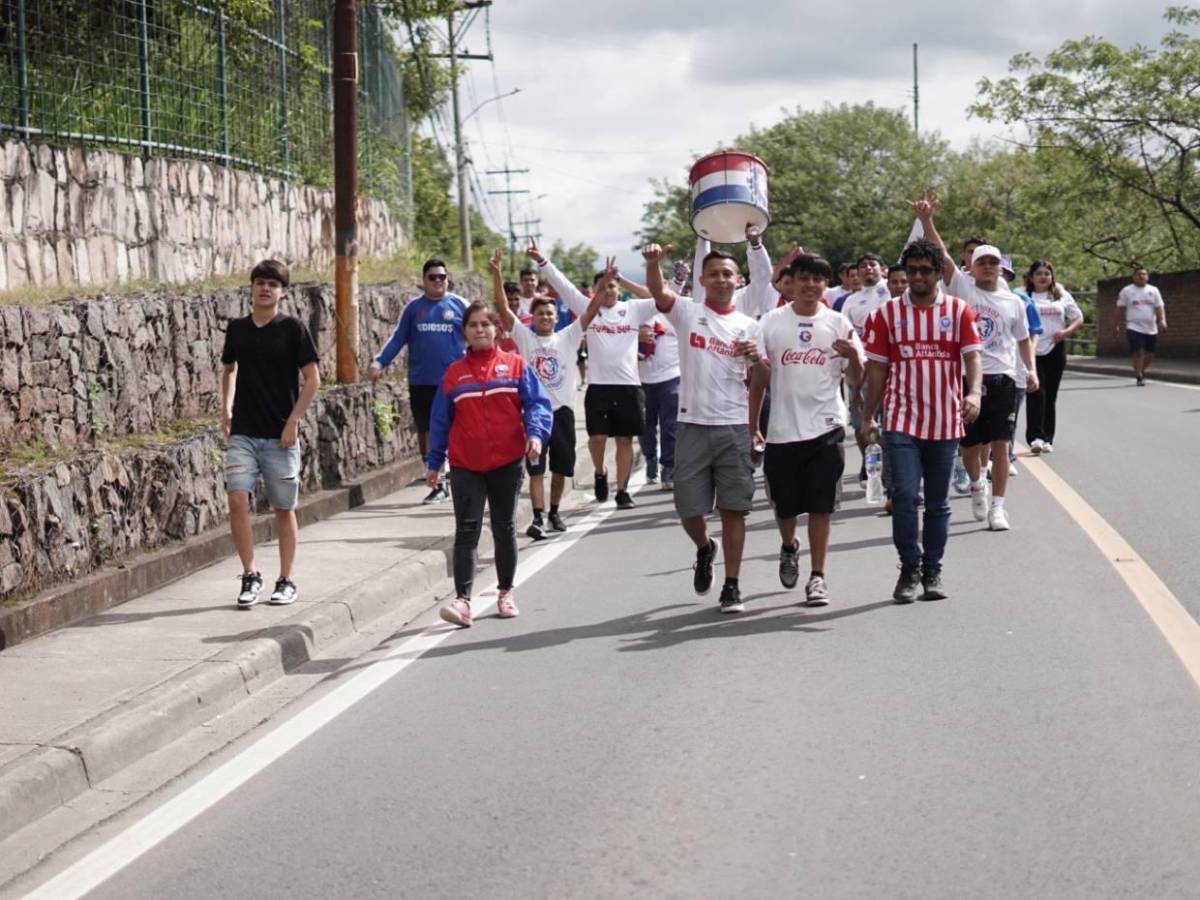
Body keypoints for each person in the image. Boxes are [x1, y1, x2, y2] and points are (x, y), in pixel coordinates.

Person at [860, 234, 983, 603]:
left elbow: (973, 357)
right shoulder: (885, 314)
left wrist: (974, 393)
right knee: (904, 496)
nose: (917, 277)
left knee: (938, 502)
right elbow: (877, 370)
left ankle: (933, 569)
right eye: (911, 270)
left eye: (925, 271)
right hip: (901, 419)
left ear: (937, 274)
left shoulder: (959, 311)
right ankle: (909, 567)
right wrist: (868, 416)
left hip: (945, 419)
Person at [644, 242, 763, 614]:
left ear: (737, 279)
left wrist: (756, 359)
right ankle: (704, 547)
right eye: (714, 273)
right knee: (688, 509)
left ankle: (732, 585)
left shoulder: (749, 326)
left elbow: (762, 376)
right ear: (702, 280)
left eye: (728, 273)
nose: (722, 279)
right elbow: (659, 294)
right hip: (692, 424)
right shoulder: (687, 314)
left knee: (733, 509)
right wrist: (652, 264)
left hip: (733, 425)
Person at [426, 301, 553, 627]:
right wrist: (434, 462)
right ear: (464, 332)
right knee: (466, 530)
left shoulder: (515, 366)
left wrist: (536, 435)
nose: (480, 330)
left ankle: (505, 592)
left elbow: (536, 404)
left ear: (497, 329)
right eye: (473, 325)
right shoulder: (454, 374)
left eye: (485, 324)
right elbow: (440, 421)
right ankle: (463, 601)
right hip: (466, 463)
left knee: (504, 527)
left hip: (507, 462)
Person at [750, 254, 863, 605]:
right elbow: (759, 377)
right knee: (785, 507)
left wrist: (855, 358)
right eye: (804, 278)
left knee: (821, 504)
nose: (811, 285)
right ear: (791, 281)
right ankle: (788, 545)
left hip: (827, 425)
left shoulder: (838, 323)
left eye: (818, 279)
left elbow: (855, 381)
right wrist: (752, 424)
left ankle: (818, 576)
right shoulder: (770, 323)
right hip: (782, 429)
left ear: (825, 284)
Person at [916, 202, 1036, 531]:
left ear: (1001, 267)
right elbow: (941, 253)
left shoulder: (1014, 301)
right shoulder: (963, 287)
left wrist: (1031, 369)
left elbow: (1023, 339)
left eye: (993, 262)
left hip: (1003, 379)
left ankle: (999, 506)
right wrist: (927, 220)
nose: (987, 267)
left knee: (1001, 443)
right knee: (969, 445)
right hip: (967, 378)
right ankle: (976, 483)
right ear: (973, 265)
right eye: (981, 261)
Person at [530, 240, 660, 510]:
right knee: (597, 438)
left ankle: (622, 490)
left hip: (628, 386)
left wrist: (622, 279)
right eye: (603, 286)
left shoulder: (633, 309)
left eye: (613, 286)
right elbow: (563, 284)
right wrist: (543, 261)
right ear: (596, 290)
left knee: (625, 440)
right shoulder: (589, 310)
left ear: (619, 289)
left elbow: (657, 296)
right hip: (599, 387)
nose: (609, 291)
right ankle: (600, 471)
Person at [220, 260, 320, 608]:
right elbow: (229, 369)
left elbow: (313, 380)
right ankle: (250, 574)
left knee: (283, 507)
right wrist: (227, 407)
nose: (265, 288)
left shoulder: (293, 329)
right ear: (251, 288)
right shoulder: (237, 329)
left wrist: (293, 421)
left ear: (283, 292)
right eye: (260, 282)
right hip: (243, 433)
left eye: (273, 284)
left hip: (280, 436)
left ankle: (286, 579)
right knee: (236, 499)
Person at [490, 250, 597, 538]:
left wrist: (606, 282)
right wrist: (497, 273)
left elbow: (591, 310)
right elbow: (502, 307)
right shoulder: (525, 337)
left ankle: (553, 512)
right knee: (537, 469)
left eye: (550, 313)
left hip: (563, 412)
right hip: (535, 415)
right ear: (533, 318)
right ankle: (537, 518)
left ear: (555, 316)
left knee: (561, 468)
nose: (546, 317)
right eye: (540, 313)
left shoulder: (569, 336)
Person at [368, 259, 468, 504]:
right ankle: (438, 482)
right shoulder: (414, 308)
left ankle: (459, 476)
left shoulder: (459, 306)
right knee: (428, 432)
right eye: (432, 277)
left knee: (455, 430)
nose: (437, 281)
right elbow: (398, 338)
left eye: (442, 277)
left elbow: (477, 333)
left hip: (453, 382)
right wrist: (380, 362)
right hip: (421, 381)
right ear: (423, 280)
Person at [840, 252, 892, 485]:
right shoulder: (851, 301)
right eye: (863, 265)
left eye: (873, 264)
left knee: (890, 421)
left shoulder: (892, 291)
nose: (868, 268)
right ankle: (870, 460)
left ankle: (890, 467)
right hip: (862, 368)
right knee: (862, 420)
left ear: (883, 269)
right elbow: (845, 334)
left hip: (890, 367)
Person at [1024, 260, 1084, 453]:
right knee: (1036, 393)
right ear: (1031, 277)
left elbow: (1078, 318)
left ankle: (1048, 438)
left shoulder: (1060, 294)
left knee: (1050, 395)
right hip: (1031, 350)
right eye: (1039, 274)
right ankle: (1034, 437)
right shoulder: (1023, 295)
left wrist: (1065, 332)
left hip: (1055, 350)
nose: (1043, 277)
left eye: (1047, 274)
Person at [1004, 256, 1042, 476]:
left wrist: (1030, 366)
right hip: (984, 369)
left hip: (1015, 369)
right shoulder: (972, 297)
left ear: (1009, 276)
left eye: (1004, 273)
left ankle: (1006, 455)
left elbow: (1033, 332)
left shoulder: (1021, 301)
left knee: (1010, 416)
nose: (999, 275)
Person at [1117, 266, 1168, 386]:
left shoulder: (1154, 290)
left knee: (1150, 354)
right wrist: (1116, 325)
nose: (1141, 276)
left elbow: (1159, 307)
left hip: (1151, 327)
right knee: (1138, 352)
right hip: (1134, 326)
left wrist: (1162, 320)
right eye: (1138, 274)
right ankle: (1139, 376)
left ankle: (1140, 370)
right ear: (1133, 277)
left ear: (1147, 277)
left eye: (1144, 274)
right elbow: (1119, 308)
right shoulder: (1127, 291)